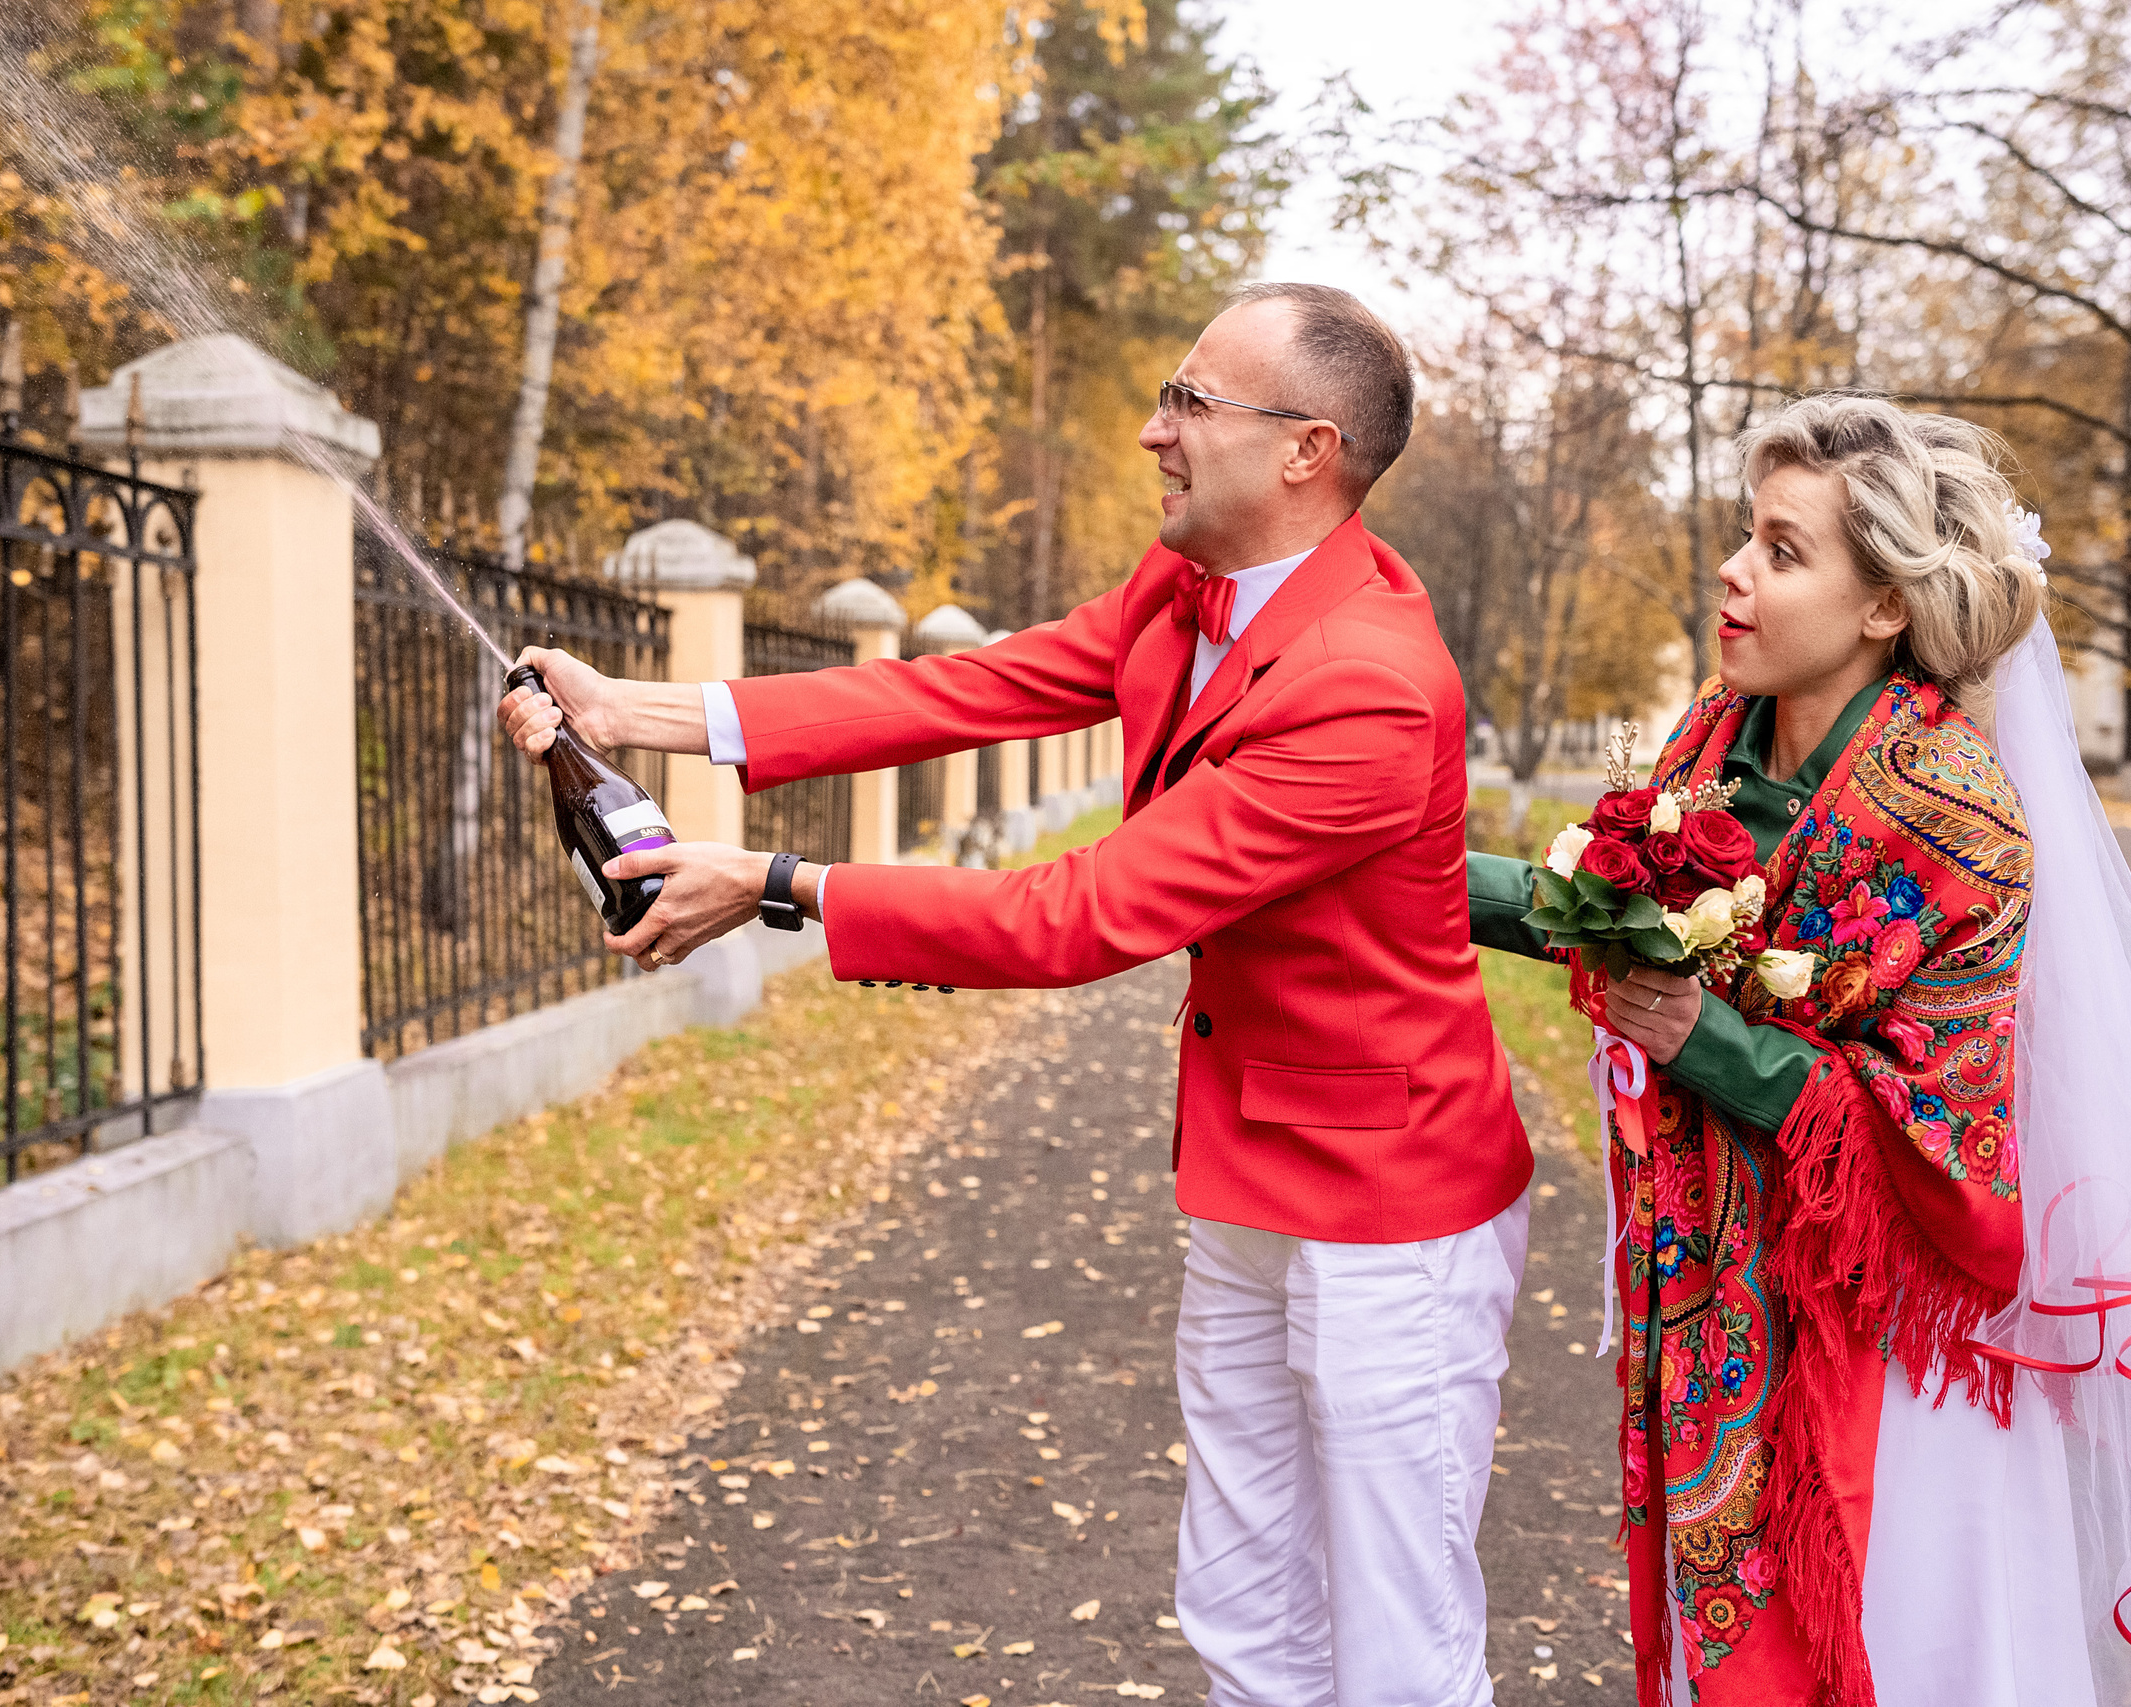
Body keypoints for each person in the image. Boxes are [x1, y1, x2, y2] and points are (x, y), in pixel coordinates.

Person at [498, 283, 1536, 1707]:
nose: (1152, 430)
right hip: (1247, 1170)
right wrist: (637, 713)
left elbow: (1087, 912)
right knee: (1241, 1604)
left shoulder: (1373, 682)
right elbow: (970, 688)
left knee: (1397, 1636)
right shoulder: (1185, 592)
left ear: (1309, 450)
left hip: (1393, 1212)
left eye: (1190, 402)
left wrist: (781, 885)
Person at [1468, 394, 2131, 1707]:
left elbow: (1952, 1143)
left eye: (1783, 549)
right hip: (1712, 1299)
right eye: (1745, 536)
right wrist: (1396, 864)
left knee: (1900, 1647)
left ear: (1884, 608)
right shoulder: (1710, 739)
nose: (1736, 573)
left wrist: (1707, 1043)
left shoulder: (1958, 821)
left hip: (1897, 1361)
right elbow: (1621, 918)